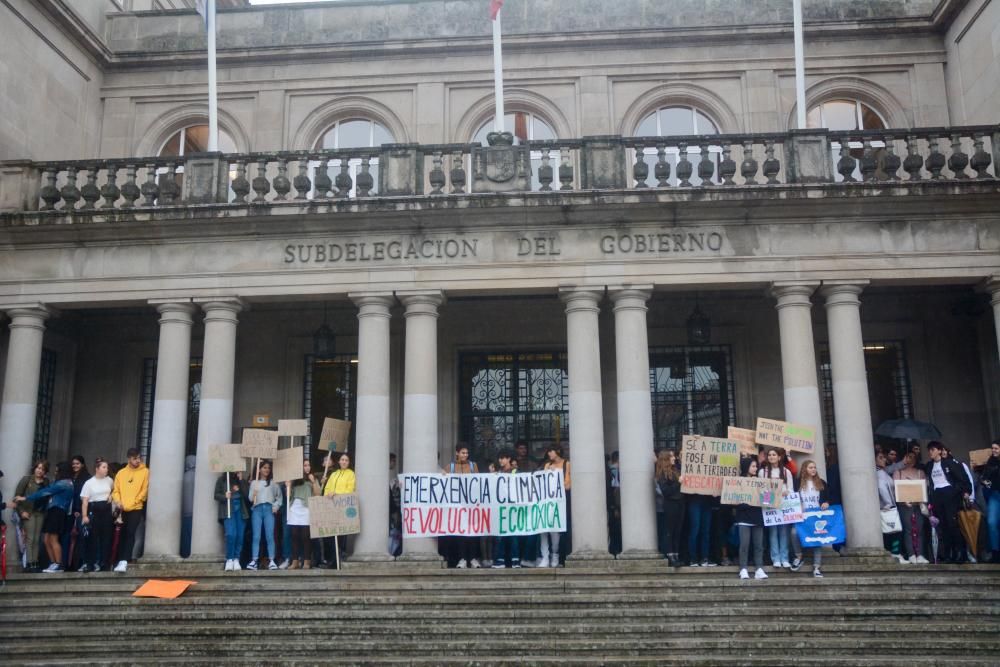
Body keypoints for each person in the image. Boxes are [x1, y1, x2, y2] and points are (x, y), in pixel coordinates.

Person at [12, 461, 75, 573]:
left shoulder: (64, 483)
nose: (55, 472)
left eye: (57, 470)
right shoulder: (62, 482)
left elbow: (45, 492)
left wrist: (26, 498)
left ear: (63, 471)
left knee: (53, 539)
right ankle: (53, 563)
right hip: (53, 511)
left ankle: (58, 565)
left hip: (57, 512)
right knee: (46, 539)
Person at [924, 441, 971, 563]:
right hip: (937, 496)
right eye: (929, 450)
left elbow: (962, 479)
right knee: (943, 525)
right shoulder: (929, 466)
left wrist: (957, 491)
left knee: (953, 524)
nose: (930, 452)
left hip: (949, 495)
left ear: (939, 451)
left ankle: (960, 553)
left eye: (933, 449)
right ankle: (948, 554)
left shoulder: (949, 463)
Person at [442, 443, 480, 569]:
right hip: (457, 506)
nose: (465, 455)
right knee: (460, 533)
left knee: (473, 532)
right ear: (457, 453)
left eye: (467, 453)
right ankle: (462, 558)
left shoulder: (473, 466)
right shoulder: (450, 467)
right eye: (463, 453)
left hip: (471, 505)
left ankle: (473, 558)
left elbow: (480, 482)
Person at [111, 448, 149, 573]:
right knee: (122, 534)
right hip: (123, 508)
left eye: (139, 458)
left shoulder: (145, 472)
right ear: (129, 459)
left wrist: (136, 501)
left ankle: (124, 560)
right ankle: (120, 560)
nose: (138, 460)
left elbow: (145, 489)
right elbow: (116, 490)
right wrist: (118, 501)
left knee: (131, 532)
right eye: (135, 458)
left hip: (136, 508)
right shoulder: (121, 473)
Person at [758, 447, 794, 568]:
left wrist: (786, 492)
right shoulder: (762, 472)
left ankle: (785, 558)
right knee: (773, 532)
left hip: (784, 505)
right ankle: (776, 558)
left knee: (784, 532)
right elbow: (761, 490)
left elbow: (791, 489)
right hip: (771, 506)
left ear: (779, 457)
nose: (771, 457)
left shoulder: (786, 472)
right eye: (769, 455)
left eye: (774, 455)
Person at [794, 460, 829, 578]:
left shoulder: (821, 483)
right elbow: (792, 498)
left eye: (814, 467)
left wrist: (827, 503)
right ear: (804, 469)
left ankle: (817, 567)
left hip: (816, 516)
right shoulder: (797, 483)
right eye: (810, 467)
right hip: (802, 516)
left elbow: (829, 498)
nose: (813, 469)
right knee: (793, 533)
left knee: (817, 539)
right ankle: (799, 557)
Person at [893, 451, 929, 564]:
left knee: (920, 529)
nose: (910, 459)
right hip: (904, 504)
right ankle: (911, 554)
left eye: (913, 457)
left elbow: (924, 489)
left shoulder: (920, 472)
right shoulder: (897, 473)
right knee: (908, 529)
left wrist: (922, 501)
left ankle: (920, 554)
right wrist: (904, 500)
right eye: (908, 456)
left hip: (918, 504)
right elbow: (896, 490)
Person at [79, 458, 114, 572]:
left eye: (107, 467)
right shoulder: (89, 483)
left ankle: (104, 562)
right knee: (92, 538)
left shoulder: (109, 480)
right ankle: (90, 563)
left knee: (106, 538)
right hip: (94, 510)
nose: (106, 469)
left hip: (106, 511)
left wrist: (111, 496)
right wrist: (84, 516)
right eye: (104, 467)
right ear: (97, 469)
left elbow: (115, 491)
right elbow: (85, 501)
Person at [735, 458, 767, 581]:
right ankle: (743, 568)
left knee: (759, 545)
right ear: (746, 466)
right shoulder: (738, 482)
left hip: (757, 517)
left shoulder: (760, 482)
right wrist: (748, 503)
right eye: (753, 466)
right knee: (744, 544)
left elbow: (768, 499)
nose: (755, 469)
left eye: (756, 466)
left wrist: (764, 490)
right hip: (743, 517)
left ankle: (759, 568)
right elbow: (734, 500)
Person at [13, 460, 49, 572]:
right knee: (30, 538)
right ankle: (29, 562)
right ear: (34, 468)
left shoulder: (46, 482)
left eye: (42, 469)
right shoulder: (27, 479)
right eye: (38, 468)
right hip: (28, 512)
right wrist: (21, 511)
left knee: (37, 538)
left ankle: (35, 562)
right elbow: (16, 497)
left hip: (41, 512)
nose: (40, 470)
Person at [286, 459, 321, 569]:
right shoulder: (295, 479)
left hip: (306, 508)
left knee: (306, 536)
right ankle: (295, 561)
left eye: (308, 465)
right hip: (295, 507)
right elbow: (289, 495)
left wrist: (313, 482)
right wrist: (288, 485)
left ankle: (307, 561)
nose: (307, 467)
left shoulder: (313, 478)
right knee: (294, 535)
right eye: (305, 465)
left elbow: (318, 494)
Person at [248, 461, 282, 570]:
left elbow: (279, 497)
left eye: (268, 468)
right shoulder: (254, 483)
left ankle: (272, 560)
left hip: (268, 509)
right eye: (264, 467)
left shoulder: (273, 483)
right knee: (256, 536)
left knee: (269, 535)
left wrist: (276, 506)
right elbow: (250, 499)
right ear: (259, 469)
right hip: (257, 509)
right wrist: (253, 494)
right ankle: (254, 560)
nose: (266, 470)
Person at [540, 445, 570, 568]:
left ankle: (555, 554)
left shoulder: (566, 464)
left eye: (550, 451)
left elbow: (568, 485)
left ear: (557, 451)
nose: (549, 454)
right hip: (548, 501)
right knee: (543, 528)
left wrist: (557, 478)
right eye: (548, 452)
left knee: (555, 530)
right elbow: (542, 482)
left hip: (561, 502)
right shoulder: (547, 465)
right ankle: (545, 557)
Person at [323, 452, 356, 564]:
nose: (344, 462)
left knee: (342, 534)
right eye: (342, 459)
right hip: (332, 507)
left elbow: (350, 489)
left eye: (346, 460)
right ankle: (331, 559)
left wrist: (336, 493)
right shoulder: (334, 474)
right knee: (330, 535)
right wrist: (328, 494)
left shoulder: (351, 474)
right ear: (339, 461)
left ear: (349, 462)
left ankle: (340, 556)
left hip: (343, 507)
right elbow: (327, 488)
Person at [215, 470, 249, 571]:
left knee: (240, 535)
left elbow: (247, 495)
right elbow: (216, 495)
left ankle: (236, 559)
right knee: (230, 534)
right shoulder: (221, 480)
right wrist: (225, 496)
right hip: (228, 510)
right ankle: (229, 559)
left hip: (241, 511)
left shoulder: (240, 480)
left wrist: (241, 480)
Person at [492, 450, 520, 569]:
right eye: (499, 458)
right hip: (500, 508)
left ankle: (515, 560)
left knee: (513, 534)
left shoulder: (516, 472)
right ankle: (499, 560)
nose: (500, 460)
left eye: (503, 458)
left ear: (509, 459)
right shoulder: (497, 473)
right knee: (500, 535)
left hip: (513, 508)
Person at [654, 449, 683, 566]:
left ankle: (676, 555)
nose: (674, 458)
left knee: (677, 530)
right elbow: (666, 491)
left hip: (680, 503)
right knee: (669, 531)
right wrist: (678, 483)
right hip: (670, 504)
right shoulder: (662, 474)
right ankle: (670, 556)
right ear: (666, 459)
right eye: (671, 456)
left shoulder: (676, 471)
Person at [64, 455, 90, 571]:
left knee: (80, 539)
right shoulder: (68, 477)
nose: (75, 466)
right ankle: (67, 564)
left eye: (77, 463)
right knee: (68, 538)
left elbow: (84, 496)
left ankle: (79, 563)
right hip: (68, 512)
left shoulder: (87, 478)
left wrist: (79, 510)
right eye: (73, 463)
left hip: (80, 512)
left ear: (83, 465)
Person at [979, 440, 1000, 563]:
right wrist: (984, 481)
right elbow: (984, 476)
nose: (993, 451)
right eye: (992, 448)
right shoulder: (991, 461)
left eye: (996, 448)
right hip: (995, 495)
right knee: (992, 522)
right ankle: (996, 552)